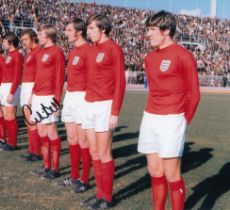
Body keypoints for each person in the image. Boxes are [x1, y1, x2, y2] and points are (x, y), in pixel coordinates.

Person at [137, 11, 201, 210]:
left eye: (152, 30)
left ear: (166, 31)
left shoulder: (183, 56)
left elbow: (194, 94)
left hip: (172, 119)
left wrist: (182, 120)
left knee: (171, 173)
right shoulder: (149, 58)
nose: (148, 34)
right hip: (150, 117)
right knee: (155, 170)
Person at [80, 14, 126, 209]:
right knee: (94, 152)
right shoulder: (91, 50)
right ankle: (99, 194)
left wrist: (115, 111)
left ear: (103, 29)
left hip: (105, 105)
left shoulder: (114, 49)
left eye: (91, 29)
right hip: (89, 104)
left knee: (104, 153)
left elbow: (120, 83)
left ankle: (107, 198)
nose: (87, 32)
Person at [56, 18, 91, 193]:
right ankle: (73, 176)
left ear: (79, 32)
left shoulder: (89, 50)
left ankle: (84, 179)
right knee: (71, 138)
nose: (66, 33)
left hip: (82, 97)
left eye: (69, 30)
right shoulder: (73, 51)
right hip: (70, 95)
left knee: (83, 139)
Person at [30, 24, 65, 180]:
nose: (38, 36)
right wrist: (32, 95)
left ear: (48, 36)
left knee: (51, 133)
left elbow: (59, 79)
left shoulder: (57, 52)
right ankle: (46, 166)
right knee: (41, 132)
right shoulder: (40, 52)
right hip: (37, 96)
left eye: (40, 34)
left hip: (49, 97)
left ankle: (55, 169)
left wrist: (56, 102)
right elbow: (38, 76)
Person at [19, 29, 42, 161]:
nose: (23, 42)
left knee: (32, 121)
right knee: (27, 121)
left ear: (33, 38)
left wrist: (33, 93)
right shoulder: (29, 53)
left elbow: (39, 74)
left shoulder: (38, 51)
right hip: (25, 86)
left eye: (26, 40)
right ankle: (32, 149)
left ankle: (36, 152)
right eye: (22, 40)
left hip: (32, 87)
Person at [0, 32, 23, 151]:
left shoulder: (17, 55)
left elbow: (17, 75)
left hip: (11, 87)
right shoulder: (8, 54)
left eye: (4, 41)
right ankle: (8, 141)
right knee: (6, 115)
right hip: (4, 86)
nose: (3, 44)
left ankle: (13, 143)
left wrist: (12, 91)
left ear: (10, 41)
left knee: (10, 115)